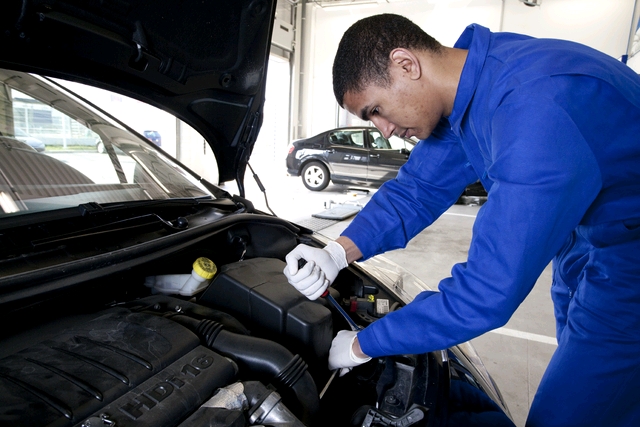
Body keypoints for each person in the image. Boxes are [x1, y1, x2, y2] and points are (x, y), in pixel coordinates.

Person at [283, 13, 640, 427]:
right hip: (590, 237)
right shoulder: (474, 85)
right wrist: (337, 251)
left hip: (628, 260)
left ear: (405, 64)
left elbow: (487, 290)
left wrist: (365, 344)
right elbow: (417, 189)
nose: (383, 131)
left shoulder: (534, 109)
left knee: (567, 413)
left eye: (376, 110)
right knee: (609, 387)